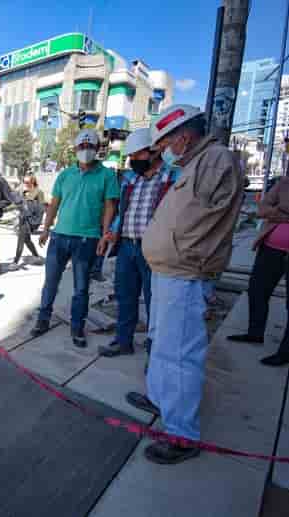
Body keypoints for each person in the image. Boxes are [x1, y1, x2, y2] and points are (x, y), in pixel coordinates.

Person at [125, 104, 243, 465]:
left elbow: (208, 220)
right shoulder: (194, 164)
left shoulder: (216, 161)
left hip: (185, 273)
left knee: (179, 355)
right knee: (162, 345)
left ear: (184, 137)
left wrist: (178, 250)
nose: (162, 152)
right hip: (169, 271)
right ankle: (161, 400)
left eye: (164, 145)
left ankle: (181, 434)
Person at [32, 129, 120, 348]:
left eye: (90, 147)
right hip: (59, 236)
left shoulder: (107, 175)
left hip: (87, 239)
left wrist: (105, 235)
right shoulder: (65, 175)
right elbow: (54, 203)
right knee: (50, 282)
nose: (86, 151)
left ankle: (77, 327)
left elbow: (110, 206)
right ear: (75, 149)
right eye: (82, 147)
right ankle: (43, 319)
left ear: (98, 149)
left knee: (81, 288)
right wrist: (45, 228)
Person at [98, 128, 180, 358]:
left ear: (154, 152)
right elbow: (122, 212)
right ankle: (123, 341)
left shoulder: (173, 177)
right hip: (126, 247)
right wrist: (112, 232)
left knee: (156, 300)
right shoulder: (130, 180)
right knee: (125, 296)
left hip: (154, 250)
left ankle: (156, 349)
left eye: (138, 155)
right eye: (131, 156)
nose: (133, 160)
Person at [228, 176, 289, 366]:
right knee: (257, 290)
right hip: (270, 248)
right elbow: (262, 209)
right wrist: (283, 213)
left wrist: (278, 211)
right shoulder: (284, 183)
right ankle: (255, 333)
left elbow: (270, 211)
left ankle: (285, 352)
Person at [12, 175, 44, 268]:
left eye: (27, 182)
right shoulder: (23, 192)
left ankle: (15, 262)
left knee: (21, 240)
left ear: (32, 182)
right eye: (24, 182)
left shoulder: (38, 192)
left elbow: (41, 209)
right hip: (23, 219)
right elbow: (17, 204)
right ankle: (37, 257)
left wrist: (37, 222)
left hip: (31, 220)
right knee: (26, 240)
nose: (25, 184)